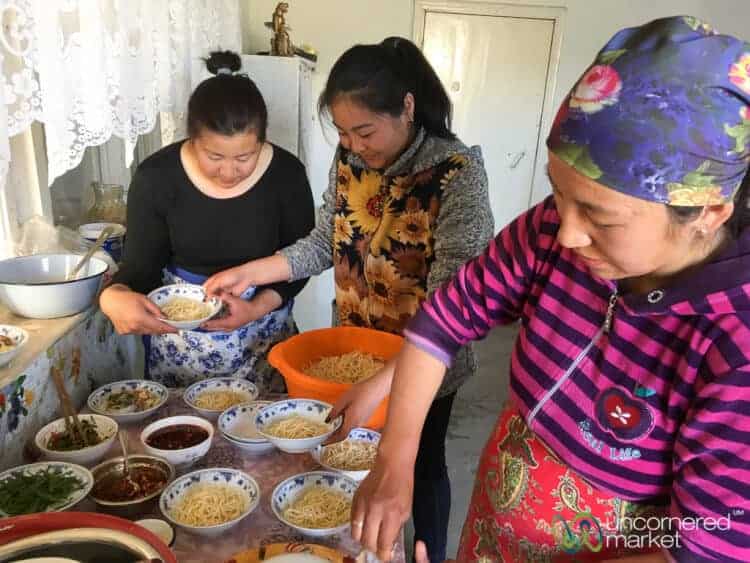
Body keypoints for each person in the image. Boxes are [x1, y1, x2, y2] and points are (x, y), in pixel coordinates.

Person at [352, 16, 750, 563]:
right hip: (497, 517)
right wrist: (395, 464)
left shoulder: (735, 343)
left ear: (707, 213)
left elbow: (706, 547)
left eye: (600, 216)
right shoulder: (552, 230)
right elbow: (444, 321)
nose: (567, 233)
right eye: (558, 194)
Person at [204, 37, 494, 562]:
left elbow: (457, 304)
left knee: (419, 465)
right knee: (348, 462)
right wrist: (251, 272)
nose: (354, 144)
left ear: (407, 107)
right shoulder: (350, 160)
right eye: (342, 132)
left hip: (427, 362)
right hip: (355, 350)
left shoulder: (457, 174)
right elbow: (326, 242)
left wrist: (388, 380)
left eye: (365, 131)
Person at [99, 51, 315, 392]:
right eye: (214, 156)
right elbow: (140, 269)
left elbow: (302, 261)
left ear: (262, 140)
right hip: (181, 347)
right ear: (191, 139)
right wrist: (113, 297)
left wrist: (255, 307)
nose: (228, 172)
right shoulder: (157, 177)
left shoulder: (286, 175)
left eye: (244, 157)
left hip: (263, 335)